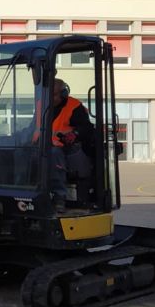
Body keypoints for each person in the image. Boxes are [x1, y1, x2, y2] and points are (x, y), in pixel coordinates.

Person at [48, 78, 93, 213]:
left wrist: (74, 134)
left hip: (67, 148)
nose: (51, 97)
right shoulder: (42, 105)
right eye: (49, 93)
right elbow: (34, 127)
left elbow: (86, 128)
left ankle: (59, 197)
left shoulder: (74, 106)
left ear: (64, 94)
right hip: (43, 146)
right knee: (19, 152)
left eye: (54, 94)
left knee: (54, 154)